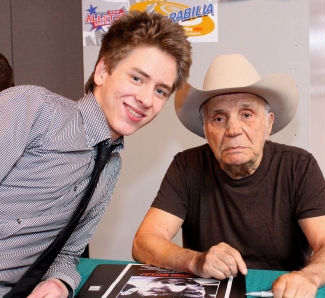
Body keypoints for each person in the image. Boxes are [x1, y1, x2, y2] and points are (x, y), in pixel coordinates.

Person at [0, 10, 191, 298]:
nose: (146, 100)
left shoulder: (110, 166)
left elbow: (68, 253)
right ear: (102, 71)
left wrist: (59, 282)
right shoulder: (31, 108)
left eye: (161, 90)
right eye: (137, 78)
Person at [132, 54, 325, 298]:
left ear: (269, 124)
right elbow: (144, 241)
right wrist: (194, 260)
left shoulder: (299, 166)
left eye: (247, 114)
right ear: (205, 129)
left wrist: (309, 276)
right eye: (218, 118)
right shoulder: (187, 165)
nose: (233, 130)